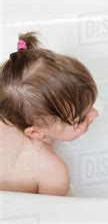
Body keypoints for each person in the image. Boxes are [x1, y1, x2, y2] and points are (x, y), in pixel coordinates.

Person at [0, 32, 99, 195]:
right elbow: (51, 214)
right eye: (79, 119)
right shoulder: (53, 173)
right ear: (35, 132)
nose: (95, 114)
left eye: (90, 104)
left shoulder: (9, 108)